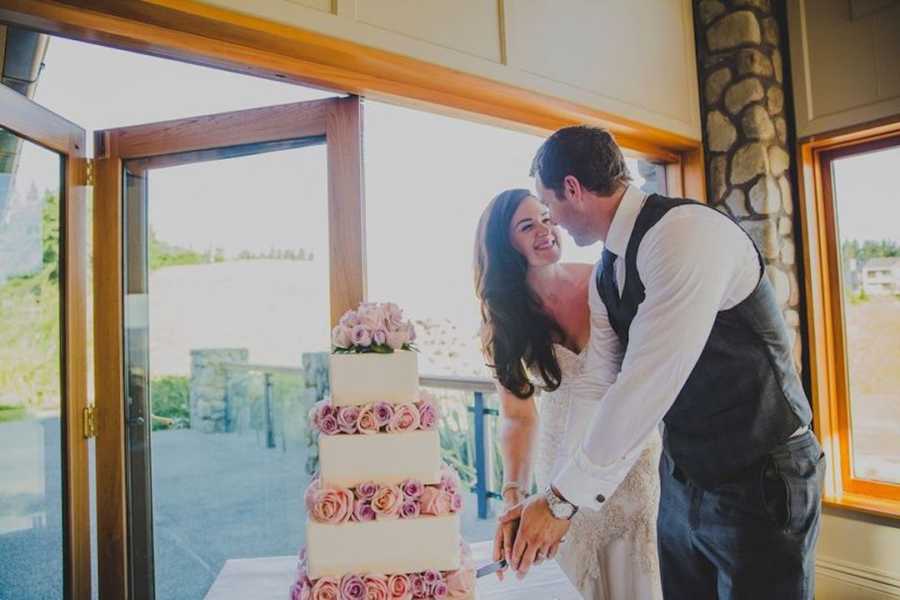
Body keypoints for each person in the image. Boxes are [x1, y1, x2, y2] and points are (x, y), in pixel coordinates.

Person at [502, 126, 823, 599]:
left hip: (762, 473)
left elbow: (647, 383)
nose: (555, 224)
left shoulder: (684, 236)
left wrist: (562, 502)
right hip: (682, 474)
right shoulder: (607, 272)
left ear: (573, 189)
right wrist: (546, 495)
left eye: (550, 208)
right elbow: (599, 385)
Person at [474, 189, 662, 599]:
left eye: (546, 218)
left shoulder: (604, 280)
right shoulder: (504, 320)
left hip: (628, 461)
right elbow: (517, 417)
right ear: (505, 246)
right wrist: (513, 492)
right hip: (559, 470)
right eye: (527, 226)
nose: (545, 231)